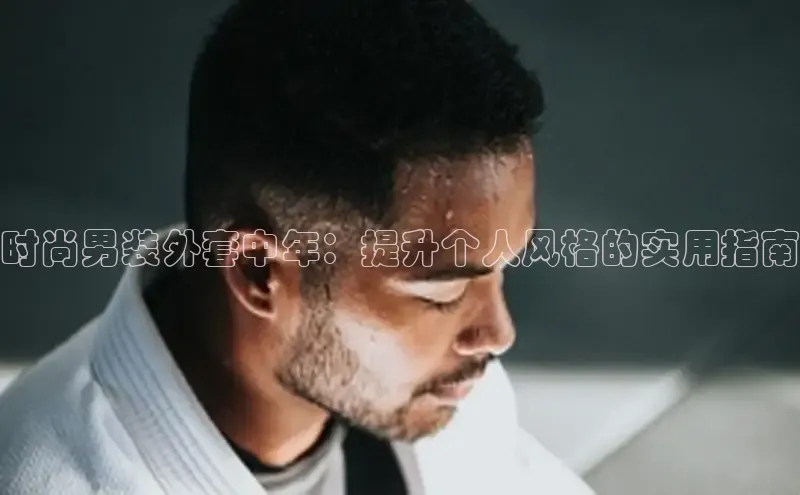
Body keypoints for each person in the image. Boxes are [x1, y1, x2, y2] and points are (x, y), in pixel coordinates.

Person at [0, 0, 595, 493]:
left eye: (502, 269)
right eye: (442, 292)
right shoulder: (51, 477)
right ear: (258, 271)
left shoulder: (452, 402)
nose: (498, 333)